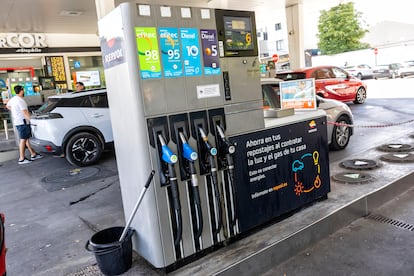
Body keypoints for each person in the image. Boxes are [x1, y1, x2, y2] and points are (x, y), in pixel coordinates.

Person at [6, 85, 43, 165]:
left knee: (26, 139)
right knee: (23, 140)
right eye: (23, 90)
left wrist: (15, 111)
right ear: (21, 90)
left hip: (17, 121)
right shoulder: (20, 101)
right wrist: (32, 121)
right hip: (23, 122)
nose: (24, 91)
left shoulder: (13, 99)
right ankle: (21, 158)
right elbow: (25, 113)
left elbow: (7, 106)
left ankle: (33, 154)